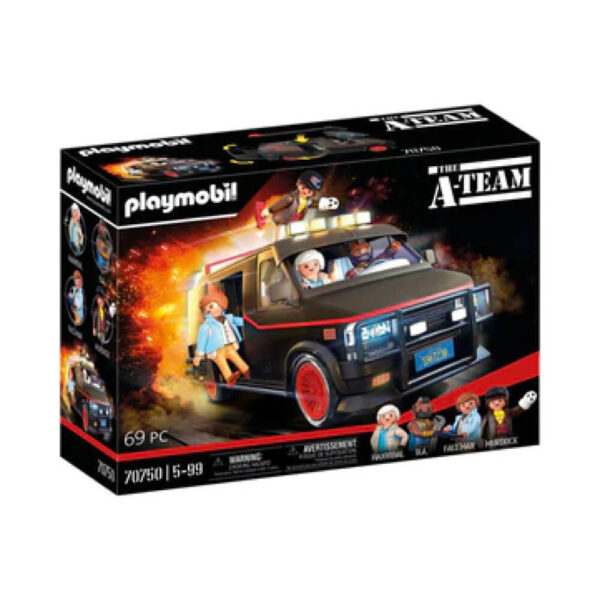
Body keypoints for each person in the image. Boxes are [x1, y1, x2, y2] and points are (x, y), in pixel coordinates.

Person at [193, 287, 250, 387]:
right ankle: (229, 378)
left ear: (221, 304)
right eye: (206, 310)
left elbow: (241, 321)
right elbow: (202, 340)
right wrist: (199, 355)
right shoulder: (206, 325)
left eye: (211, 306)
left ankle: (246, 371)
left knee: (236, 357)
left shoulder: (229, 318)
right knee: (221, 361)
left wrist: (250, 321)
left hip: (230, 346)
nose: (209, 311)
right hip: (216, 350)